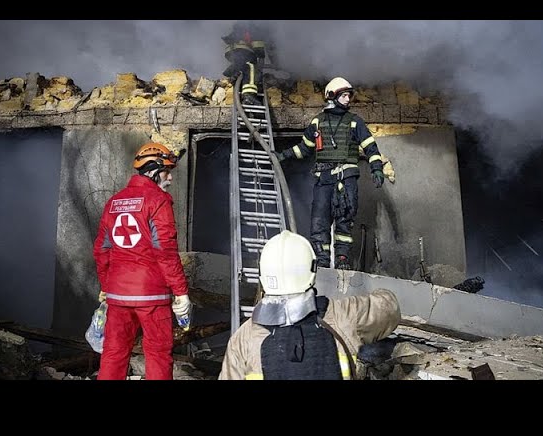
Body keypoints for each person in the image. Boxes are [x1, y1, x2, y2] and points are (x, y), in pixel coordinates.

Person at [218, 230, 400, 380]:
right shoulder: (342, 315)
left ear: (264, 276)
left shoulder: (243, 339)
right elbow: (389, 306)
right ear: (312, 271)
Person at [93, 142, 191, 380]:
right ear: (154, 171)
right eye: (167, 171)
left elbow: (101, 250)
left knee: (113, 352)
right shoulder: (158, 200)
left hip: (118, 295)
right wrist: (181, 292)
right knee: (157, 353)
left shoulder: (114, 202)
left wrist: (106, 287)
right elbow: (165, 252)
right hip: (151, 295)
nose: (170, 177)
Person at [274, 76, 385, 270]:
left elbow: (371, 148)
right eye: (344, 95)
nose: (348, 99)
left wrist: (376, 168)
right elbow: (305, 148)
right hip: (323, 180)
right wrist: (284, 155)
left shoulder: (355, 122)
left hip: (346, 179)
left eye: (349, 95)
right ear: (332, 95)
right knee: (319, 223)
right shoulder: (317, 122)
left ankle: (342, 260)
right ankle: (322, 263)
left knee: (345, 222)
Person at [222, 21, 268, 106]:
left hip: (232, 51)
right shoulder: (255, 28)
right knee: (251, 67)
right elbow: (258, 46)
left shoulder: (241, 26)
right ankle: (249, 95)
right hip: (243, 50)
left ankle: (234, 73)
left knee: (242, 66)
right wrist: (260, 57)